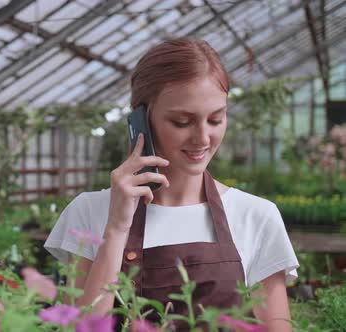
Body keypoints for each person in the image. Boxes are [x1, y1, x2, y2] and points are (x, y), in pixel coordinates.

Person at [44, 38, 299, 330]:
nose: (202, 138)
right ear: (140, 120)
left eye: (216, 119)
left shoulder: (256, 216)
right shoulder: (89, 211)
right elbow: (83, 327)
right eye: (182, 122)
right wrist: (116, 228)